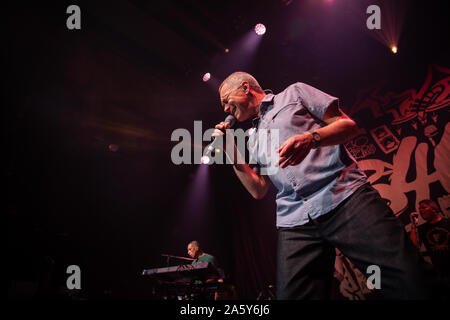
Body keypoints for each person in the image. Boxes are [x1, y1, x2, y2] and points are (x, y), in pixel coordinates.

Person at [213, 71, 430, 300]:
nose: (226, 110)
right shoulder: (253, 137)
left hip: (343, 197)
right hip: (295, 220)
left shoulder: (294, 94)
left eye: (227, 101)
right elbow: (258, 189)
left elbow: (348, 126)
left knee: (407, 277)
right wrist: (230, 150)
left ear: (246, 88)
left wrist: (310, 139)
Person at [410, 200, 450, 283]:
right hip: (441, 273)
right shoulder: (422, 229)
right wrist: (413, 225)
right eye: (419, 208)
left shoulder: (447, 223)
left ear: (434, 209)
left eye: (423, 207)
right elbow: (414, 246)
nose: (420, 210)